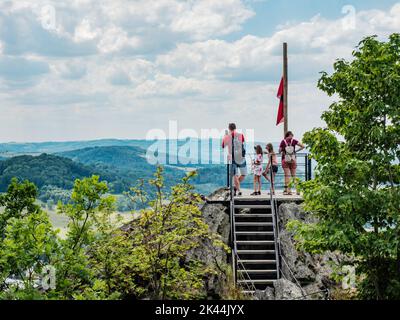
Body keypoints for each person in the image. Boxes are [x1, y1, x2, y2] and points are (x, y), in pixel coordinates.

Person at [222, 123, 247, 196]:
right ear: (235, 128)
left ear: (229, 128)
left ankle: (237, 189)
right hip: (241, 157)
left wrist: (225, 136)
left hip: (233, 158)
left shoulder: (227, 137)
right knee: (243, 174)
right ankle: (236, 187)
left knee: (235, 175)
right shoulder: (241, 135)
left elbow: (223, 146)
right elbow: (242, 143)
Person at [279, 131, 305, 195]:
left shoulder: (283, 141)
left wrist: (283, 150)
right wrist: (295, 151)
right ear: (291, 135)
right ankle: (297, 190)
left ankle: (288, 190)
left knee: (287, 175)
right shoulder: (294, 141)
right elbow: (303, 146)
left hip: (285, 159)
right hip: (293, 159)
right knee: (294, 176)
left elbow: (279, 150)